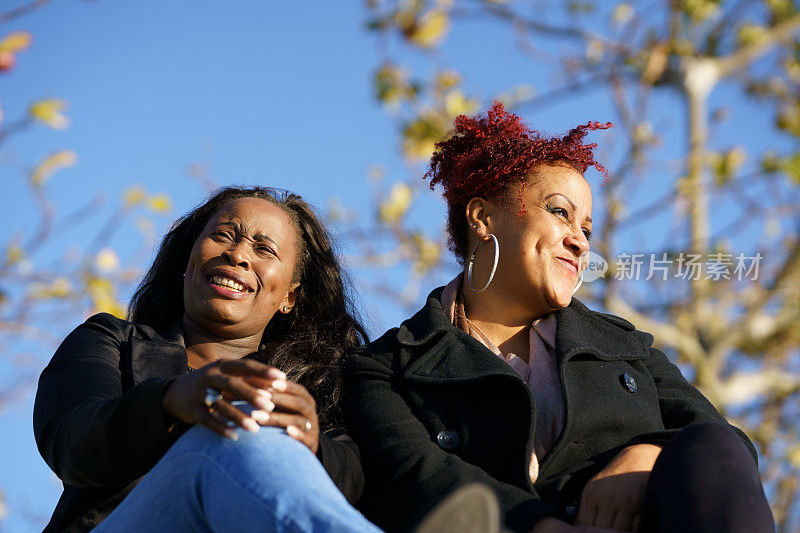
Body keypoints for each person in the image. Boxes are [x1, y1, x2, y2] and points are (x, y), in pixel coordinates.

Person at [342, 103, 775, 533]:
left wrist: (648, 454)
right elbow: (412, 475)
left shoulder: (626, 348)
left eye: (587, 229)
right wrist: (539, 526)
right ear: (482, 217)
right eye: (559, 211)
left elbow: (728, 450)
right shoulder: (385, 367)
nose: (581, 242)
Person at [33, 186, 382, 532]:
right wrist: (168, 404)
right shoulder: (113, 342)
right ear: (189, 259)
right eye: (223, 235)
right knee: (228, 433)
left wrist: (312, 447)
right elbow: (69, 440)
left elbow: (359, 480)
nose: (239, 255)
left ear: (289, 296)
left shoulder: (317, 395)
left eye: (264, 249)